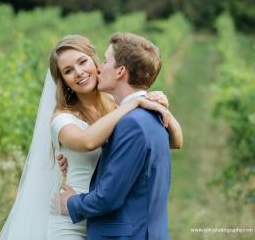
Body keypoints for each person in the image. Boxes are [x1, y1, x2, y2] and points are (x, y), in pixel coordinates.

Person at [0, 34, 182, 240]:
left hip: (106, 217)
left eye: (82, 62)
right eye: (68, 71)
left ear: (96, 63)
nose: (78, 73)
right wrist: (135, 103)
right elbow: (87, 141)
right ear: (63, 81)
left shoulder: (116, 104)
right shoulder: (62, 117)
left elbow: (173, 141)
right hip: (70, 218)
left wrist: (161, 109)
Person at [58, 33, 174, 239]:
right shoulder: (149, 115)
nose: (99, 67)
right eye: (68, 70)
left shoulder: (132, 122)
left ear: (120, 71)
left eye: (104, 60)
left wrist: (71, 203)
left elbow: (108, 197)